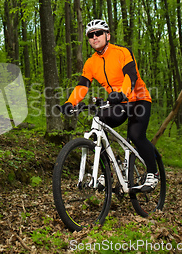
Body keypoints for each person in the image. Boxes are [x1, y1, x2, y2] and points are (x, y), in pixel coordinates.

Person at [59, 19, 158, 192]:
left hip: (138, 98)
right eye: (91, 35)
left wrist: (123, 93)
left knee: (136, 135)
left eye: (98, 33)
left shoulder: (122, 52)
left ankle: (153, 173)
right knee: (100, 122)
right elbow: (82, 86)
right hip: (117, 102)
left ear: (108, 35)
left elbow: (131, 76)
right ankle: (109, 170)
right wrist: (70, 102)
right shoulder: (91, 63)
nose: (95, 37)